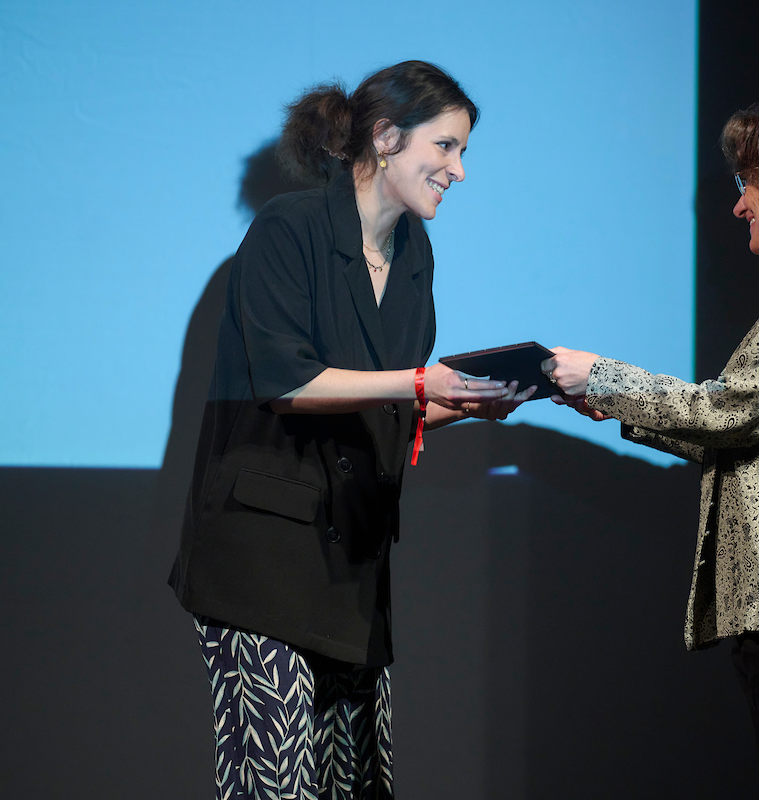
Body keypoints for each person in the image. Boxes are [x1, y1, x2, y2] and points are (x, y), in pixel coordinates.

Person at [168, 61, 532, 800]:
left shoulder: (413, 254)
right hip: (262, 560)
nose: (458, 171)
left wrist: (469, 401)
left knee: (354, 785)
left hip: (351, 564)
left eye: (463, 152)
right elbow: (287, 382)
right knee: (275, 785)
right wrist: (423, 383)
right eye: (446, 146)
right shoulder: (289, 229)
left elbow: (386, 405)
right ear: (387, 138)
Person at [542, 96, 759, 799]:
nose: (739, 205)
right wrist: (606, 402)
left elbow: (728, 411)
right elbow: (745, 432)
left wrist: (604, 376)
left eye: (748, 183)